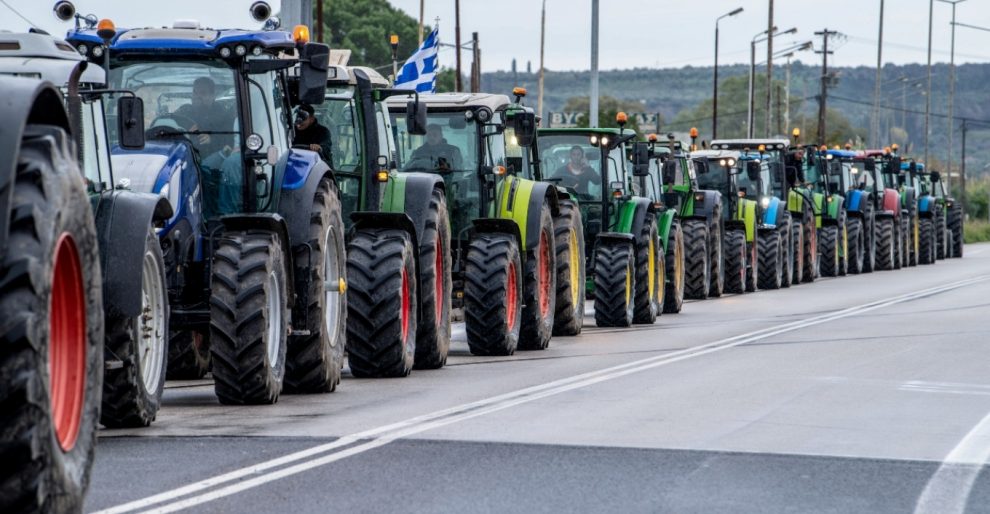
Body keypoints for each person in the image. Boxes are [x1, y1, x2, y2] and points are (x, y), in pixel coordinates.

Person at [175, 76, 233, 158]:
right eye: (195, 92)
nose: (197, 96)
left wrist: (211, 139)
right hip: (184, 155)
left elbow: (230, 140)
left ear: (213, 96)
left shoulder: (223, 114)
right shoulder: (184, 110)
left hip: (212, 158)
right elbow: (170, 127)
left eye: (203, 93)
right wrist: (184, 134)